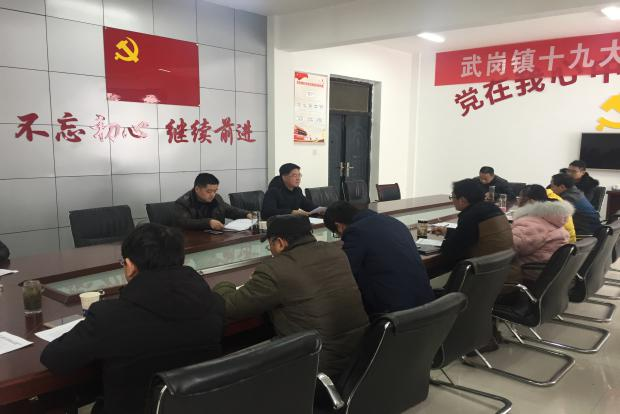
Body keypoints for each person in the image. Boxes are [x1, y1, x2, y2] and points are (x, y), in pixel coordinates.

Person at [40, 224, 225, 414]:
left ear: (129, 266)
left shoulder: (109, 317)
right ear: (181, 259)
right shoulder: (213, 304)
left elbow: (54, 358)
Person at [213, 215, 368, 379]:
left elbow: (229, 307)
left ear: (280, 243)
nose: (271, 250)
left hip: (317, 365)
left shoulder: (275, 269)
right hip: (361, 357)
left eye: (270, 245)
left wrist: (224, 285)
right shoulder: (335, 252)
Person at [323, 201, 434, 317]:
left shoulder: (355, 232)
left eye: (336, 234)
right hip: (427, 304)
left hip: (396, 314)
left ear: (339, 226)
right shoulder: (391, 220)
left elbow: (347, 271)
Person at [435, 178, 513, 268]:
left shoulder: (471, 215)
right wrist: (447, 232)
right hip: (502, 268)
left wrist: (440, 246)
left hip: (482, 270)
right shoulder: (493, 208)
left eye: (453, 197)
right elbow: (470, 235)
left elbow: (453, 250)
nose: (452, 201)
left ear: (462, 200)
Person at [505, 184, 573, 287]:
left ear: (531, 201)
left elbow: (508, 246)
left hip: (529, 274)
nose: (518, 202)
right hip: (548, 273)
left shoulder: (532, 223)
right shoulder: (551, 219)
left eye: (520, 198)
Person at [176, 173, 253, 230]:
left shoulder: (216, 198)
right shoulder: (183, 203)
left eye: (215, 191)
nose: (213, 195)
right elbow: (185, 223)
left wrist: (246, 214)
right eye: (209, 191)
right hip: (194, 241)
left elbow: (229, 210)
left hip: (216, 238)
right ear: (197, 189)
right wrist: (208, 223)